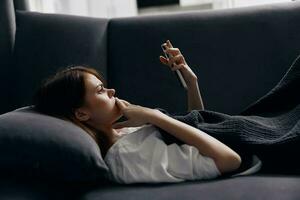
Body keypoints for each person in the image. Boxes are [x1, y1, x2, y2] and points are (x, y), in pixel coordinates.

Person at [33, 40, 241, 184]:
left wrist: (192, 84)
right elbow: (228, 159)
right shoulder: (125, 158)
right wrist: (154, 116)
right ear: (81, 114)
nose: (111, 91)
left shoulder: (124, 132)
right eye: (100, 90)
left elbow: (201, 132)